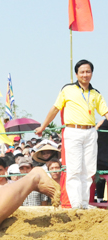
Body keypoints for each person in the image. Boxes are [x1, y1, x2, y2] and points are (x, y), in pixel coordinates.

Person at [35, 59, 108, 209]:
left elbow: (105, 112)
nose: (85, 75)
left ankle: (84, 202)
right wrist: (43, 126)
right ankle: (75, 203)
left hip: (90, 132)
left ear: (92, 74)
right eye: (82, 72)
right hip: (73, 131)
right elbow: (55, 109)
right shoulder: (67, 90)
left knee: (89, 169)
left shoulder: (95, 94)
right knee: (74, 168)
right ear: (77, 74)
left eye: (88, 71)